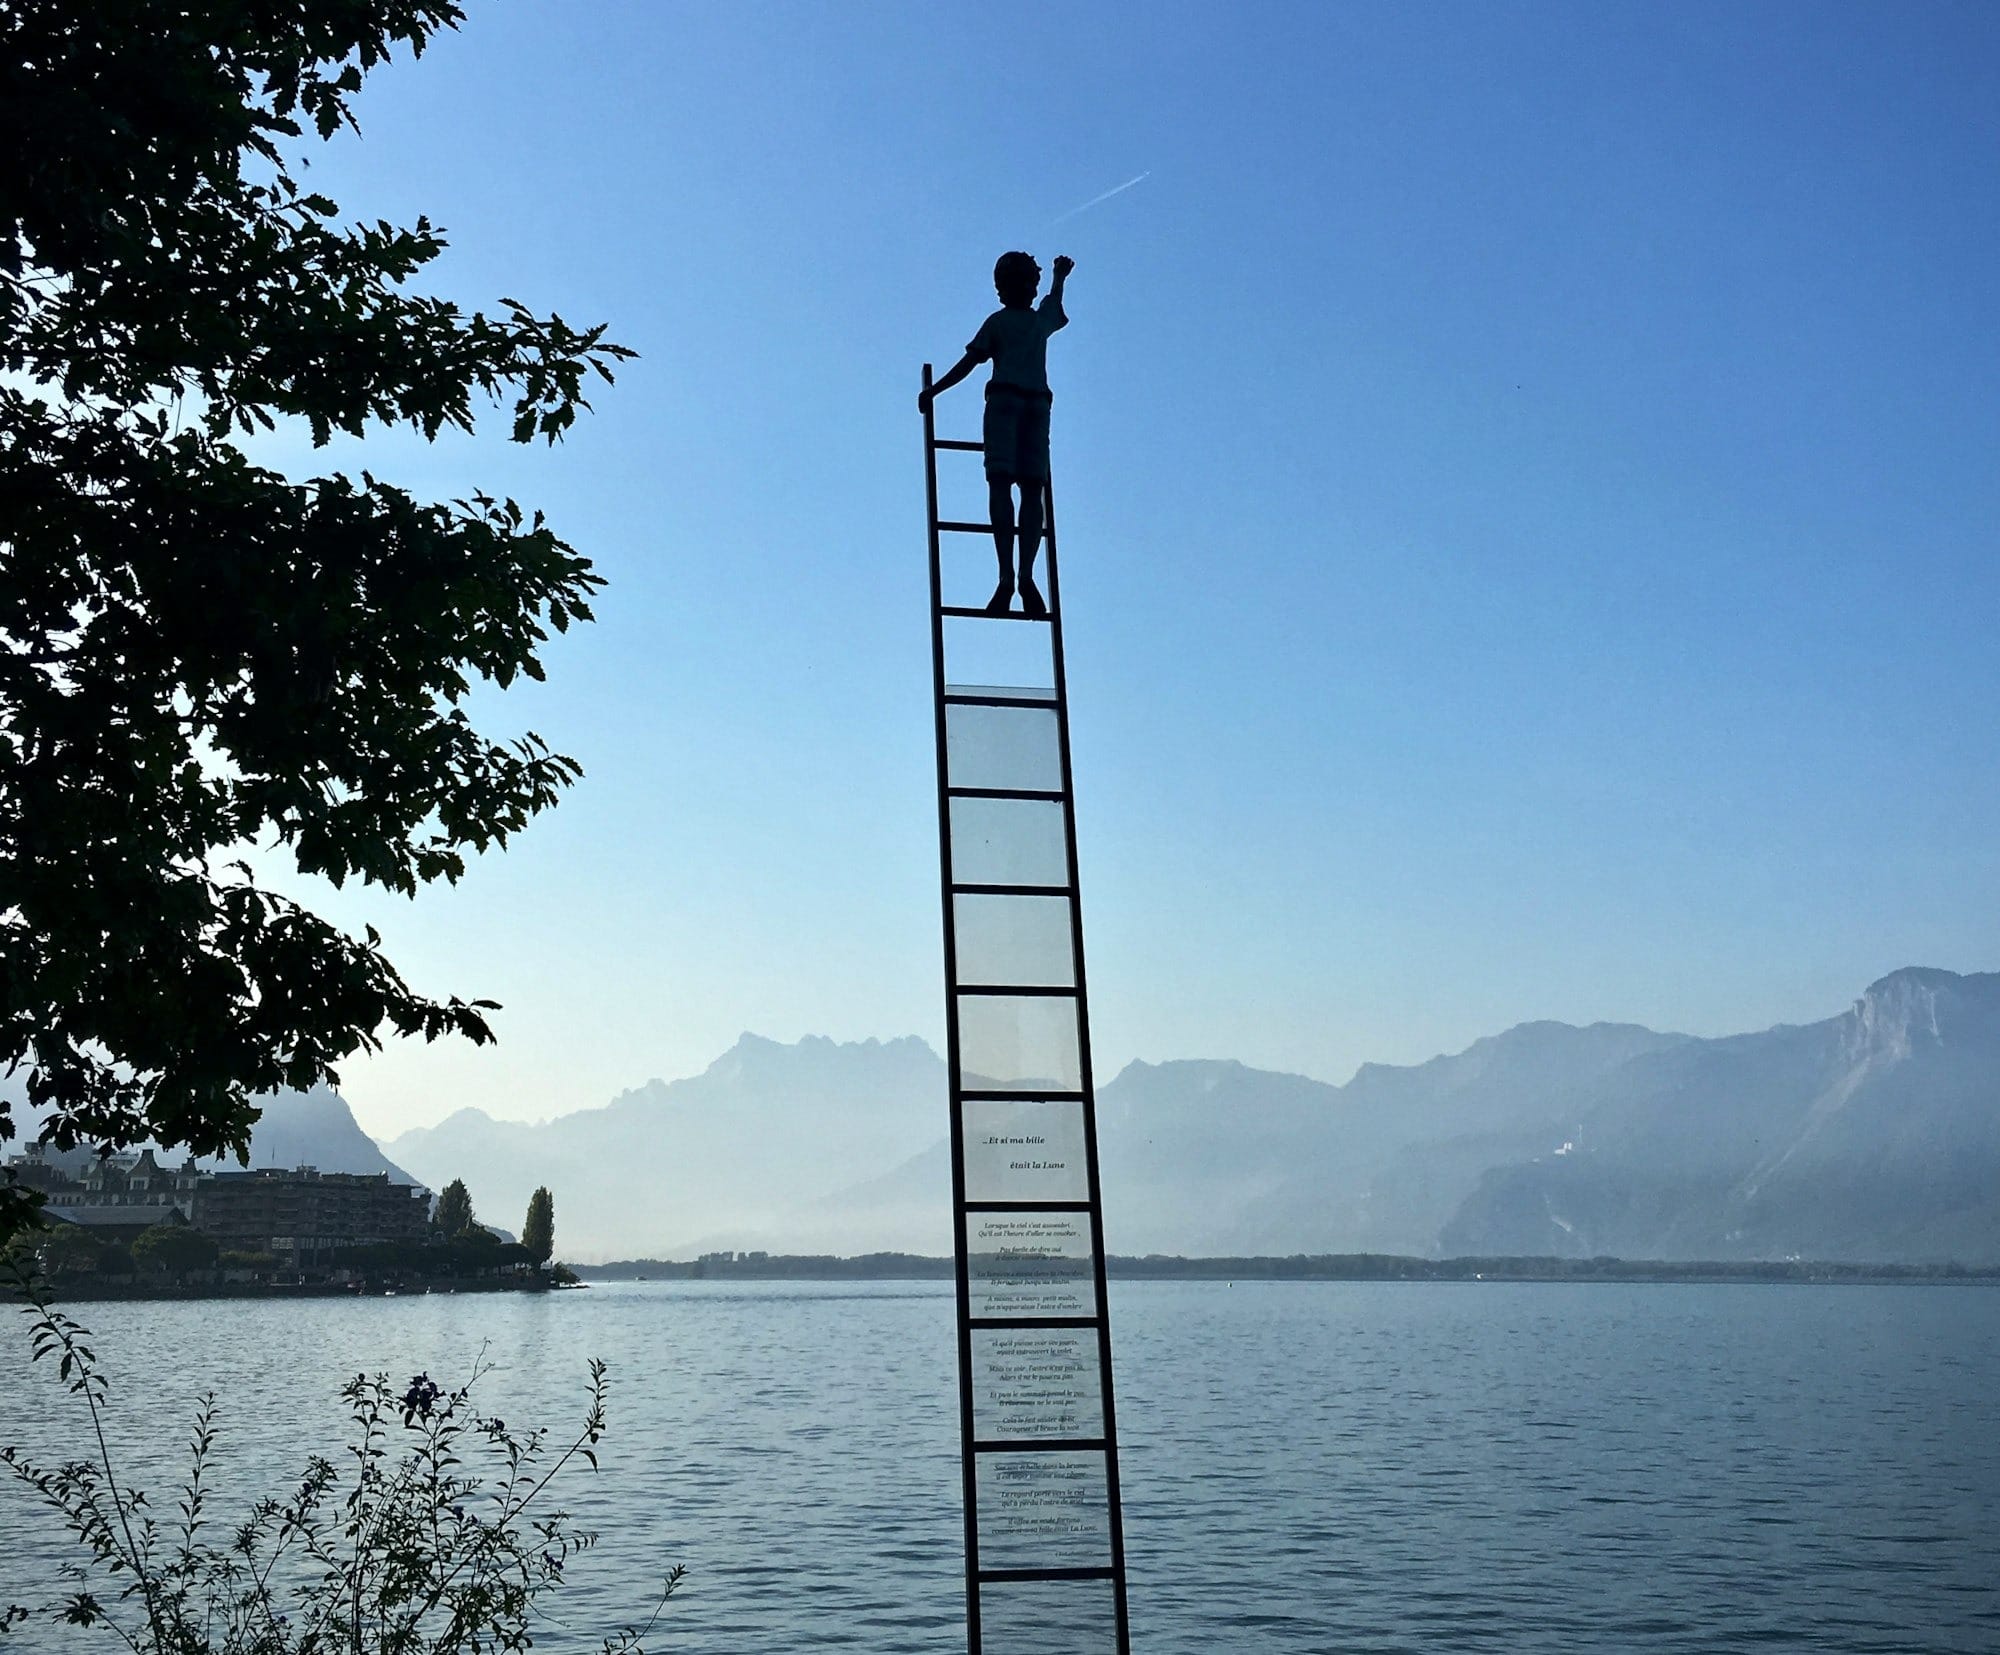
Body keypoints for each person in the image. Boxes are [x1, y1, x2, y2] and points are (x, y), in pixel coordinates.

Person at [920, 251, 1073, 615]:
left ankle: (1019, 576)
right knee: (1012, 488)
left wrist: (1059, 277)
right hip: (1022, 405)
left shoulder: (1020, 322)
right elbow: (971, 361)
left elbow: (971, 361)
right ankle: (1012, 576)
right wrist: (936, 391)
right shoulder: (1013, 322)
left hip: (1024, 405)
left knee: (1024, 489)